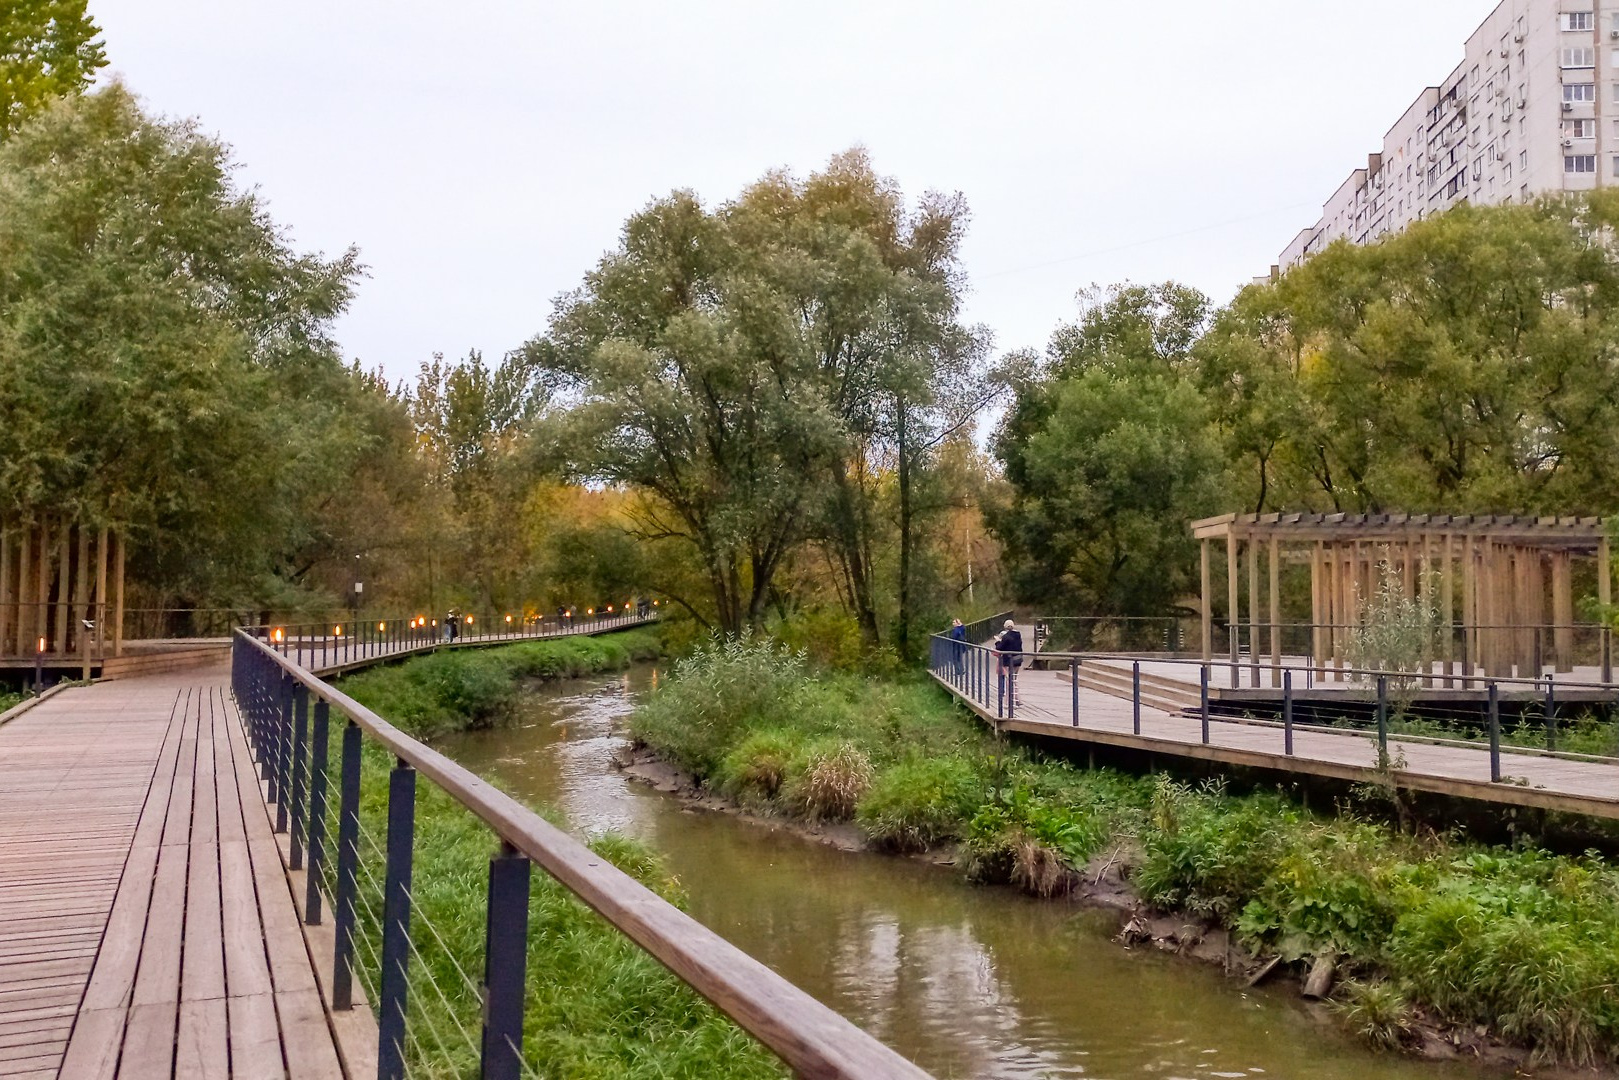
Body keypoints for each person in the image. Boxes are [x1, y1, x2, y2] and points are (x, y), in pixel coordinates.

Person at [994, 619, 1024, 708]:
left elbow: (1000, 648)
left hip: (1009, 661)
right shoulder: (1018, 635)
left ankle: (1008, 702)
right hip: (1018, 659)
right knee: (1014, 679)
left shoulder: (1006, 637)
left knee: (1009, 681)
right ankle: (1018, 700)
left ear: (1005, 627)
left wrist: (997, 641)